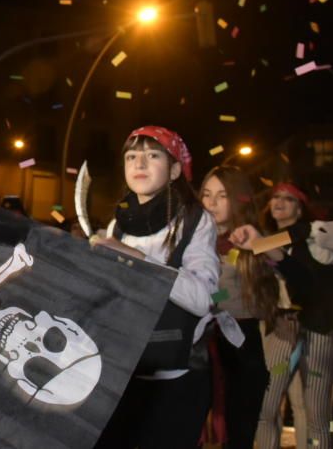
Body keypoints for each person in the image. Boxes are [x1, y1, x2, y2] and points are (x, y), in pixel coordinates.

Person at [92, 126, 220, 449]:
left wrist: (139, 260)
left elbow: (204, 299)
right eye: (132, 156)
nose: (140, 164)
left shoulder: (196, 220)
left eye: (153, 156)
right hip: (121, 377)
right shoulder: (116, 225)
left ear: (175, 169)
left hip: (175, 381)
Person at [230, 183, 333, 449]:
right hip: (281, 331)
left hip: (318, 332)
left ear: (300, 207)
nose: (279, 203)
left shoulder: (318, 237)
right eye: (275, 198)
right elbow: (231, 284)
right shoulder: (262, 239)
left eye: (288, 199)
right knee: (266, 406)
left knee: (314, 411)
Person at [200, 166, 279, 448]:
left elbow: (288, 257)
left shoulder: (251, 236)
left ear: (238, 198)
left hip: (242, 342)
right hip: (200, 342)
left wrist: (260, 242)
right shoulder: (191, 239)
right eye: (207, 194)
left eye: (222, 195)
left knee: (240, 430)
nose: (212, 203)